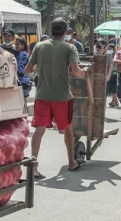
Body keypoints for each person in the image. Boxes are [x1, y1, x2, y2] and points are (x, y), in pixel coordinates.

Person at [25, 18, 85, 177]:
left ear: (51, 31)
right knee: (67, 129)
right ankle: (72, 162)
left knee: (39, 130)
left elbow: (28, 69)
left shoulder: (39, 46)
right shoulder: (70, 47)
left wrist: (41, 68)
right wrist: (83, 73)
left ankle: (34, 166)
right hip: (62, 97)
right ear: (66, 32)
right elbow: (77, 71)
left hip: (42, 95)